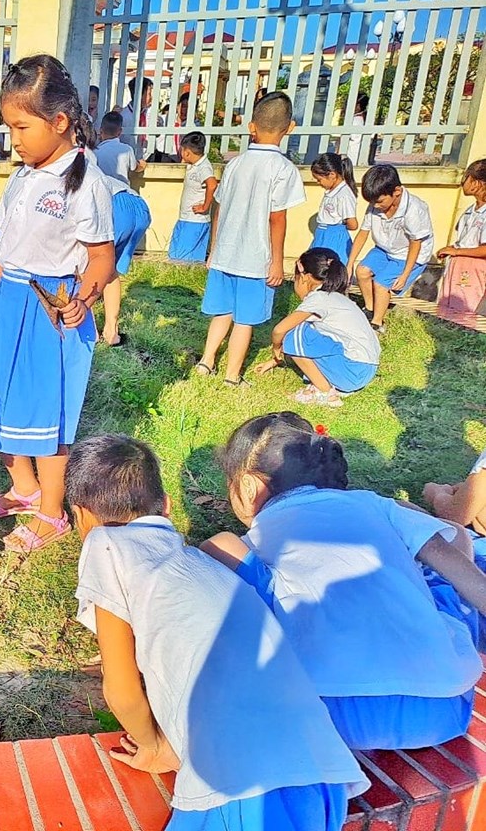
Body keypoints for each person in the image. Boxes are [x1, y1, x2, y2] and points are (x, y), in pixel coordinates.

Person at [67, 434, 368, 830]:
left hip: (241, 788)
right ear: (167, 506)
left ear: (81, 516)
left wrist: (155, 745)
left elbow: (121, 690)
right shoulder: (201, 565)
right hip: (320, 777)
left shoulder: (106, 544)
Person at [201, 413, 486, 750]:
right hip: (443, 708)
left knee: (245, 573)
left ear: (247, 486)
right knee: (442, 571)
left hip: (326, 713)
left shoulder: (262, 536)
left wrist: (210, 549)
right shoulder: (378, 505)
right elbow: (452, 545)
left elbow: (223, 550)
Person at [0, 54, 116, 552]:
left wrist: (83, 299)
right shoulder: (22, 177)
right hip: (7, 302)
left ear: (60, 121)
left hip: (50, 310)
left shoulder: (86, 182)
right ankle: (24, 487)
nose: (14, 139)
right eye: (9, 128)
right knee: (0, 400)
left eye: (22, 127)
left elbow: (102, 259)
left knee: (47, 414)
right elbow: (4, 257)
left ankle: (51, 512)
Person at [196, 91, 305, 386]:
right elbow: (277, 218)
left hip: (225, 253)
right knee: (244, 319)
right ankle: (232, 376)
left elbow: (218, 208)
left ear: (251, 126)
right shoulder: (283, 169)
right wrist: (277, 262)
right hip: (255, 258)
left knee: (222, 311)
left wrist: (213, 249)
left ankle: (206, 361)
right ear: (290, 128)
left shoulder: (235, 164)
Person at [254, 248, 380, 406]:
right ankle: (331, 385)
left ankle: (325, 392)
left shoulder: (318, 299)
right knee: (304, 332)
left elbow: (279, 330)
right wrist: (274, 362)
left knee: (295, 333)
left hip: (352, 371)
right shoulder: (337, 298)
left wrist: (276, 349)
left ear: (304, 277)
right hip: (364, 370)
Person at [345, 164, 434, 333]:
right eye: (372, 202)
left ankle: (377, 323)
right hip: (385, 248)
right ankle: (370, 309)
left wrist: (405, 274)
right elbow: (363, 233)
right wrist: (350, 264)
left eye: (379, 202)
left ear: (397, 192)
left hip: (408, 254)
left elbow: (416, 243)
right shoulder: (375, 204)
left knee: (381, 284)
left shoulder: (414, 209)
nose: (375, 206)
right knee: (362, 272)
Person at [99, 174, 151, 347]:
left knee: (86, 268)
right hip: (139, 205)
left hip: (114, 206)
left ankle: (89, 330)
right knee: (110, 269)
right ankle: (111, 332)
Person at [436, 160, 486, 324]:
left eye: (466, 178)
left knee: (466, 307)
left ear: (476, 183)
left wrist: (457, 251)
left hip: (474, 268)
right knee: (448, 304)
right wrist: (451, 249)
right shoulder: (470, 211)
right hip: (458, 264)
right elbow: (465, 241)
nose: (462, 183)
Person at [167, 131, 216, 262]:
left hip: (195, 220)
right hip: (185, 218)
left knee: (186, 259)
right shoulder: (193, 166)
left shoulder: (204, 167)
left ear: (187, 152)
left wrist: (205, 207)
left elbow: (212, 185)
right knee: (175, 255)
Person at [310, 153, 358, 263]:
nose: (318, 183)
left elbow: (353, 224)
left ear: (332, 175)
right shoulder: (332, 192)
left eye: (319, 179)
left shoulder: (344, 195)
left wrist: (337, 228)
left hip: (334, 237)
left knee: (331, 267)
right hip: (322, 235)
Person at [93, 111, 143, 184]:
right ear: (120, 132)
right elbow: (135, 168)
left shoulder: (95, 152)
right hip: (123, 189)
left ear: (101, 131)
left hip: (104, 189)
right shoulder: (127, 149)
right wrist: (142, 164)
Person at [119, 76, 159, 160]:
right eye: (149, 94)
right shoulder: (123, 116)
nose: (152, 97)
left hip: (147, 158)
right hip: (127, 159)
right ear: (139, 94)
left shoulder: (150, 114)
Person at [343, 94, 369, 167]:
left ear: (358, 106)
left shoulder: (356, 121)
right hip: (357, 155)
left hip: (352, 156)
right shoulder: (362, 119)